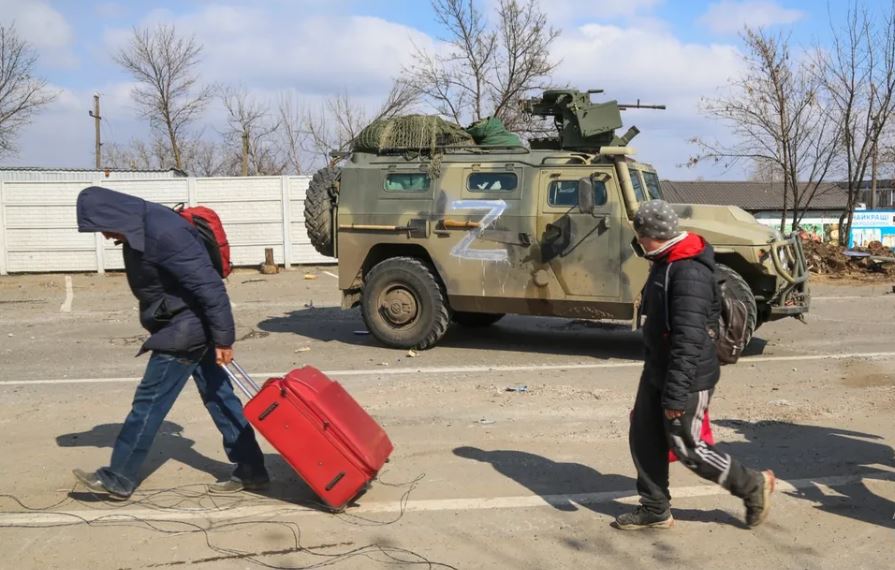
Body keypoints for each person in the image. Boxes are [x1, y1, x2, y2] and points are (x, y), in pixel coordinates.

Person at [72, 186, 268, 500]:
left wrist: (224, 339)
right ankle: (252, 469)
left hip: (185, 331)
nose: (105, 237)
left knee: (148, 403)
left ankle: (119, 476)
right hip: (187, 325)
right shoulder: (140, 227)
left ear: (114, 216)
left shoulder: (163, 232)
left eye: (103, 228)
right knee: (220, 398)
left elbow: (210, 287)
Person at [615, 199, 775, 530]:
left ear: (652, 234)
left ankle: (753, 485)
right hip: (660, 368)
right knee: (644, 435)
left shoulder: (687, 271)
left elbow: (688, 341)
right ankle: (655, 508)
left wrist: (675, 395)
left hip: (685, 376)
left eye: (640, 234)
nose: (638, 241)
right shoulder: (666, 260)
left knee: (689, 447)